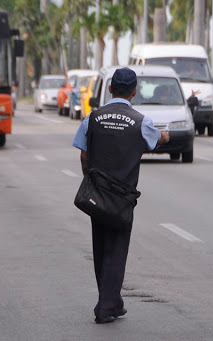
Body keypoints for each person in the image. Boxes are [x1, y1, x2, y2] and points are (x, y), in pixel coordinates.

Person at [72, 67, 170, 324]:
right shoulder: (141, 121)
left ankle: (113, 302)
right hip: (122, 196)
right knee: (116, 250)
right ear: (134, 92)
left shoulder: (92, 118)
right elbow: (154, 139)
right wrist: (164, 137)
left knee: (101, 246)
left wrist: (89, 178)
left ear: (110, 89)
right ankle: (106, 307)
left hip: (97, 193)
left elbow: (83, 153)